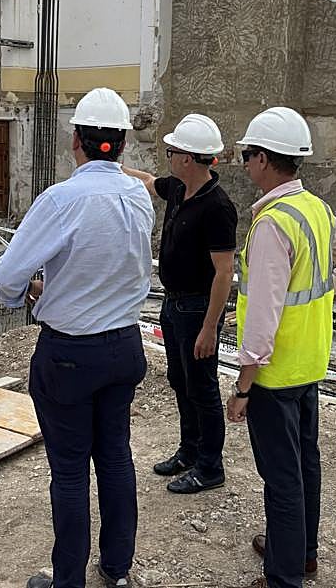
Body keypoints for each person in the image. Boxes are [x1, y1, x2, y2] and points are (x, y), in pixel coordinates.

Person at [0, 87, 155, 588]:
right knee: (115, 457)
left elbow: (7, 277)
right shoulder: (136, 195)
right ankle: (117, 569)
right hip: (125, 346)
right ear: (123, 143)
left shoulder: (62, 198)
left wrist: (26, 294)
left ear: (75, 141)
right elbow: (113, 265)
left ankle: (68, 582)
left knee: (68, 473)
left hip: (70, 355)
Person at [225, 106, 336, 588]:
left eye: (248, 155)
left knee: (281, 478)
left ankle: (285, 574)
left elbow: (263, 318)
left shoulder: (272, 224)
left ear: (265, 159)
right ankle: (301, 552)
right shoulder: (314, 208)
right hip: (309, 365)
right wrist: (328, 294)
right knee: (305, 464)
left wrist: (243, 386)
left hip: (274, 375)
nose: (245, 164)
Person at [124, 114, 237, 494]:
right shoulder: (177, 188)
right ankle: (189, 451)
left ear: (187, 158)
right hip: (173, 305)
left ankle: (210, 466)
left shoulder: (217, 207)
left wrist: (209, 327)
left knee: (202, 386)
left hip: (197, 308)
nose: (168, 157)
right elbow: (147, 181)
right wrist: (113, 166)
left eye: (172, 152)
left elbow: (224, 273)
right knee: (180, 381)